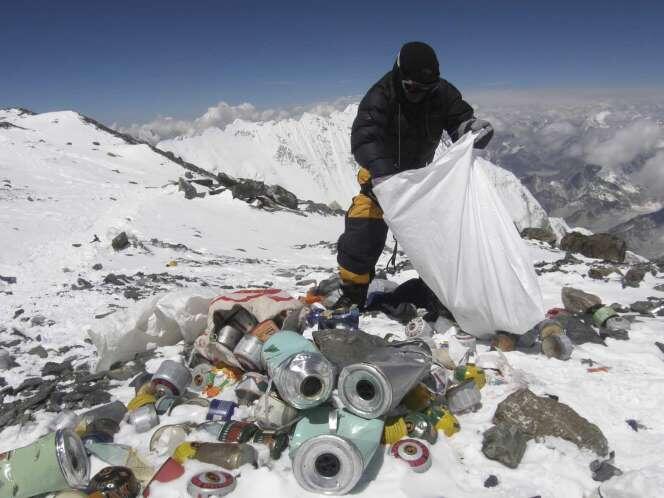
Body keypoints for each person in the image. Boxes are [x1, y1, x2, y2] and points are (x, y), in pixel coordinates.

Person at [336, 41, 493, 307]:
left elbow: (459, 118)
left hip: (421, 183)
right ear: (399, 75)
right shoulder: (381, 95)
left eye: (426, 89)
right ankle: (352, 296)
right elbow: (364, 138)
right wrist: (385, 176)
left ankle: (439, 294)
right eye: (412, 88)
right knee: (362, 233)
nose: (418, 94)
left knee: (440, 238)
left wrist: (470, 128)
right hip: (380, 183)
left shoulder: (441, 93)